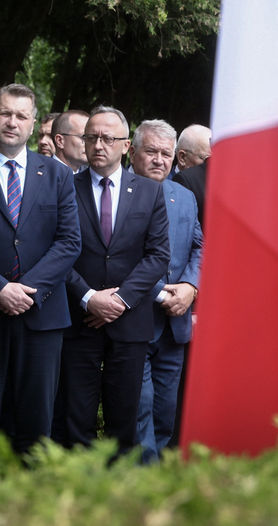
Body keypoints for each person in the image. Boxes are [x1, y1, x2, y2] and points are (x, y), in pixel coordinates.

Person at [0, 84, 81, 455]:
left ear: (33, 124)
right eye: (5, 113)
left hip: (41, 315)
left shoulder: (57, 175)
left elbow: (69, 242)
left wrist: (26, 289)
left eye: (21, 116)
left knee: (37, 426)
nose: (12, 122)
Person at [56, 106, 169, 456]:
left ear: (125, 146)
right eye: (91, 137)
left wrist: (118, 301)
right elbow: (56, 251)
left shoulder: (150, 192)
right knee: (76, 420)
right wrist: (89, 297)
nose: (98, 145)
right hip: (79, 320)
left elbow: (157, 256)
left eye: (108, 138)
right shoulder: (64, 187)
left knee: (126, 421)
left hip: (130, 322)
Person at [129, 120, 203, 463]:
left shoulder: (184, 195)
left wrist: (190, 286)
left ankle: (156, 477)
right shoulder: (120, 194)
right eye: (151, 152)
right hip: (136, 321)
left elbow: (201, 247)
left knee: (165, 411)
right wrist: (163, 294)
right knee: (140, 409)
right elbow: (120, 257)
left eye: (166, 154)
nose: (159, 160)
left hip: (175, 327)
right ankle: (145, 483)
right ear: (133, 152)